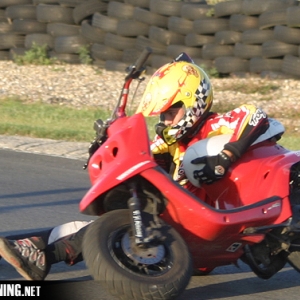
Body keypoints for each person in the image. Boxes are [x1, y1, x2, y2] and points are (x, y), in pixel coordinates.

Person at [0, 53, 270, 281]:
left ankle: (43, 255)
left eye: (170, 112)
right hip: (179, 230)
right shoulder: (168, 142)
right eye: (162, 115)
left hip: (204, 230)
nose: (165, 120)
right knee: (97, 224)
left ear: (193, 102)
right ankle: (27, 245)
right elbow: (141, 155)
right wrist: (107, 147)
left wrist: (226, 154)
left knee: (102, 231)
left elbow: (256, 115)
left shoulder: (215, 125)